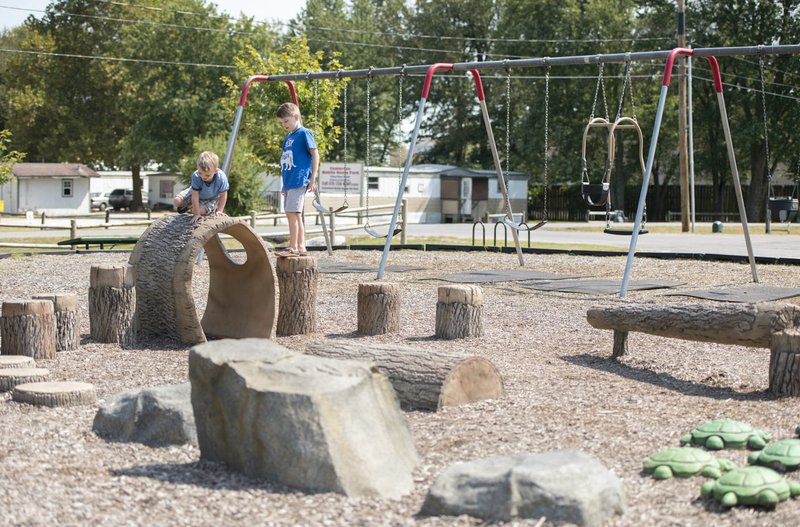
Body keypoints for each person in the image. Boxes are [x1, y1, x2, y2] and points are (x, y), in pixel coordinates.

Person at [275, 102, 319, 256]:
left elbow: (315, 154)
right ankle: (301, 246)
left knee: (292, 212)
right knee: (293, 213)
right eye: (282, 123)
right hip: (290, 181)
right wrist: (284, 184)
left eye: (286, 121)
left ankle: (293, 246)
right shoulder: (288, 137)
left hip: (299, 180)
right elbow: (285, 160)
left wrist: (313, 177)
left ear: (296, 117)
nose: (284, 125)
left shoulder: (304, 133)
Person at [174, 151, 229, 224]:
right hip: (197, 193)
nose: (203, 177)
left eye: (207, 175)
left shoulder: (221, 177)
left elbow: (223, 195)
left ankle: (196, 207)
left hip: (211, 199)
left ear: (216, 171)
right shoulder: (196, 176)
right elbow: (195, 195)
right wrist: (197, 214)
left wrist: (219, 210)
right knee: (177, 201)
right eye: (200, 173)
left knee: (197, 210)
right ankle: (190, 206)